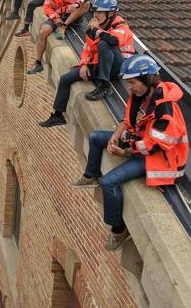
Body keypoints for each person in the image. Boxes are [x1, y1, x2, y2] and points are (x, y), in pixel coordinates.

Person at [71, 54, 187, 250]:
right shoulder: (139, 96)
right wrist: (116, 136)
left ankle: (118, 231)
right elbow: (128, 121)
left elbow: (153, 145)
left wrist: (123, 151)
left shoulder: (165, 109)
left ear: (148, 80)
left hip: (158, 159)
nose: (129, 87)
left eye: (133, 82)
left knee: (109, 182)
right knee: (96, 137)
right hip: (141, 143)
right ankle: (90, 176)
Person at [39, 0, 136, 127]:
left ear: (111, 13)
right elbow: (87, 47)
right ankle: (58, 115)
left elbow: (114, 40)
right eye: (95, 11)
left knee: (103, 43)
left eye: (100, 12)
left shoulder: (120, 25)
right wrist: (83, 64)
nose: (96, 15)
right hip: (101, 65)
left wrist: (96, 30)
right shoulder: (94, 26)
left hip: (119, 67)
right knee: (66, 79)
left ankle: (105, 85)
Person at [27, 0, 93, 74]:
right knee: (43, 31)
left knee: (86, 4)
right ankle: (38, 63)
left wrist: (77, 3)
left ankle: (64, 26)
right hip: (60, 15)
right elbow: (47, 7)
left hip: (75, 16)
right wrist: (56, 19)